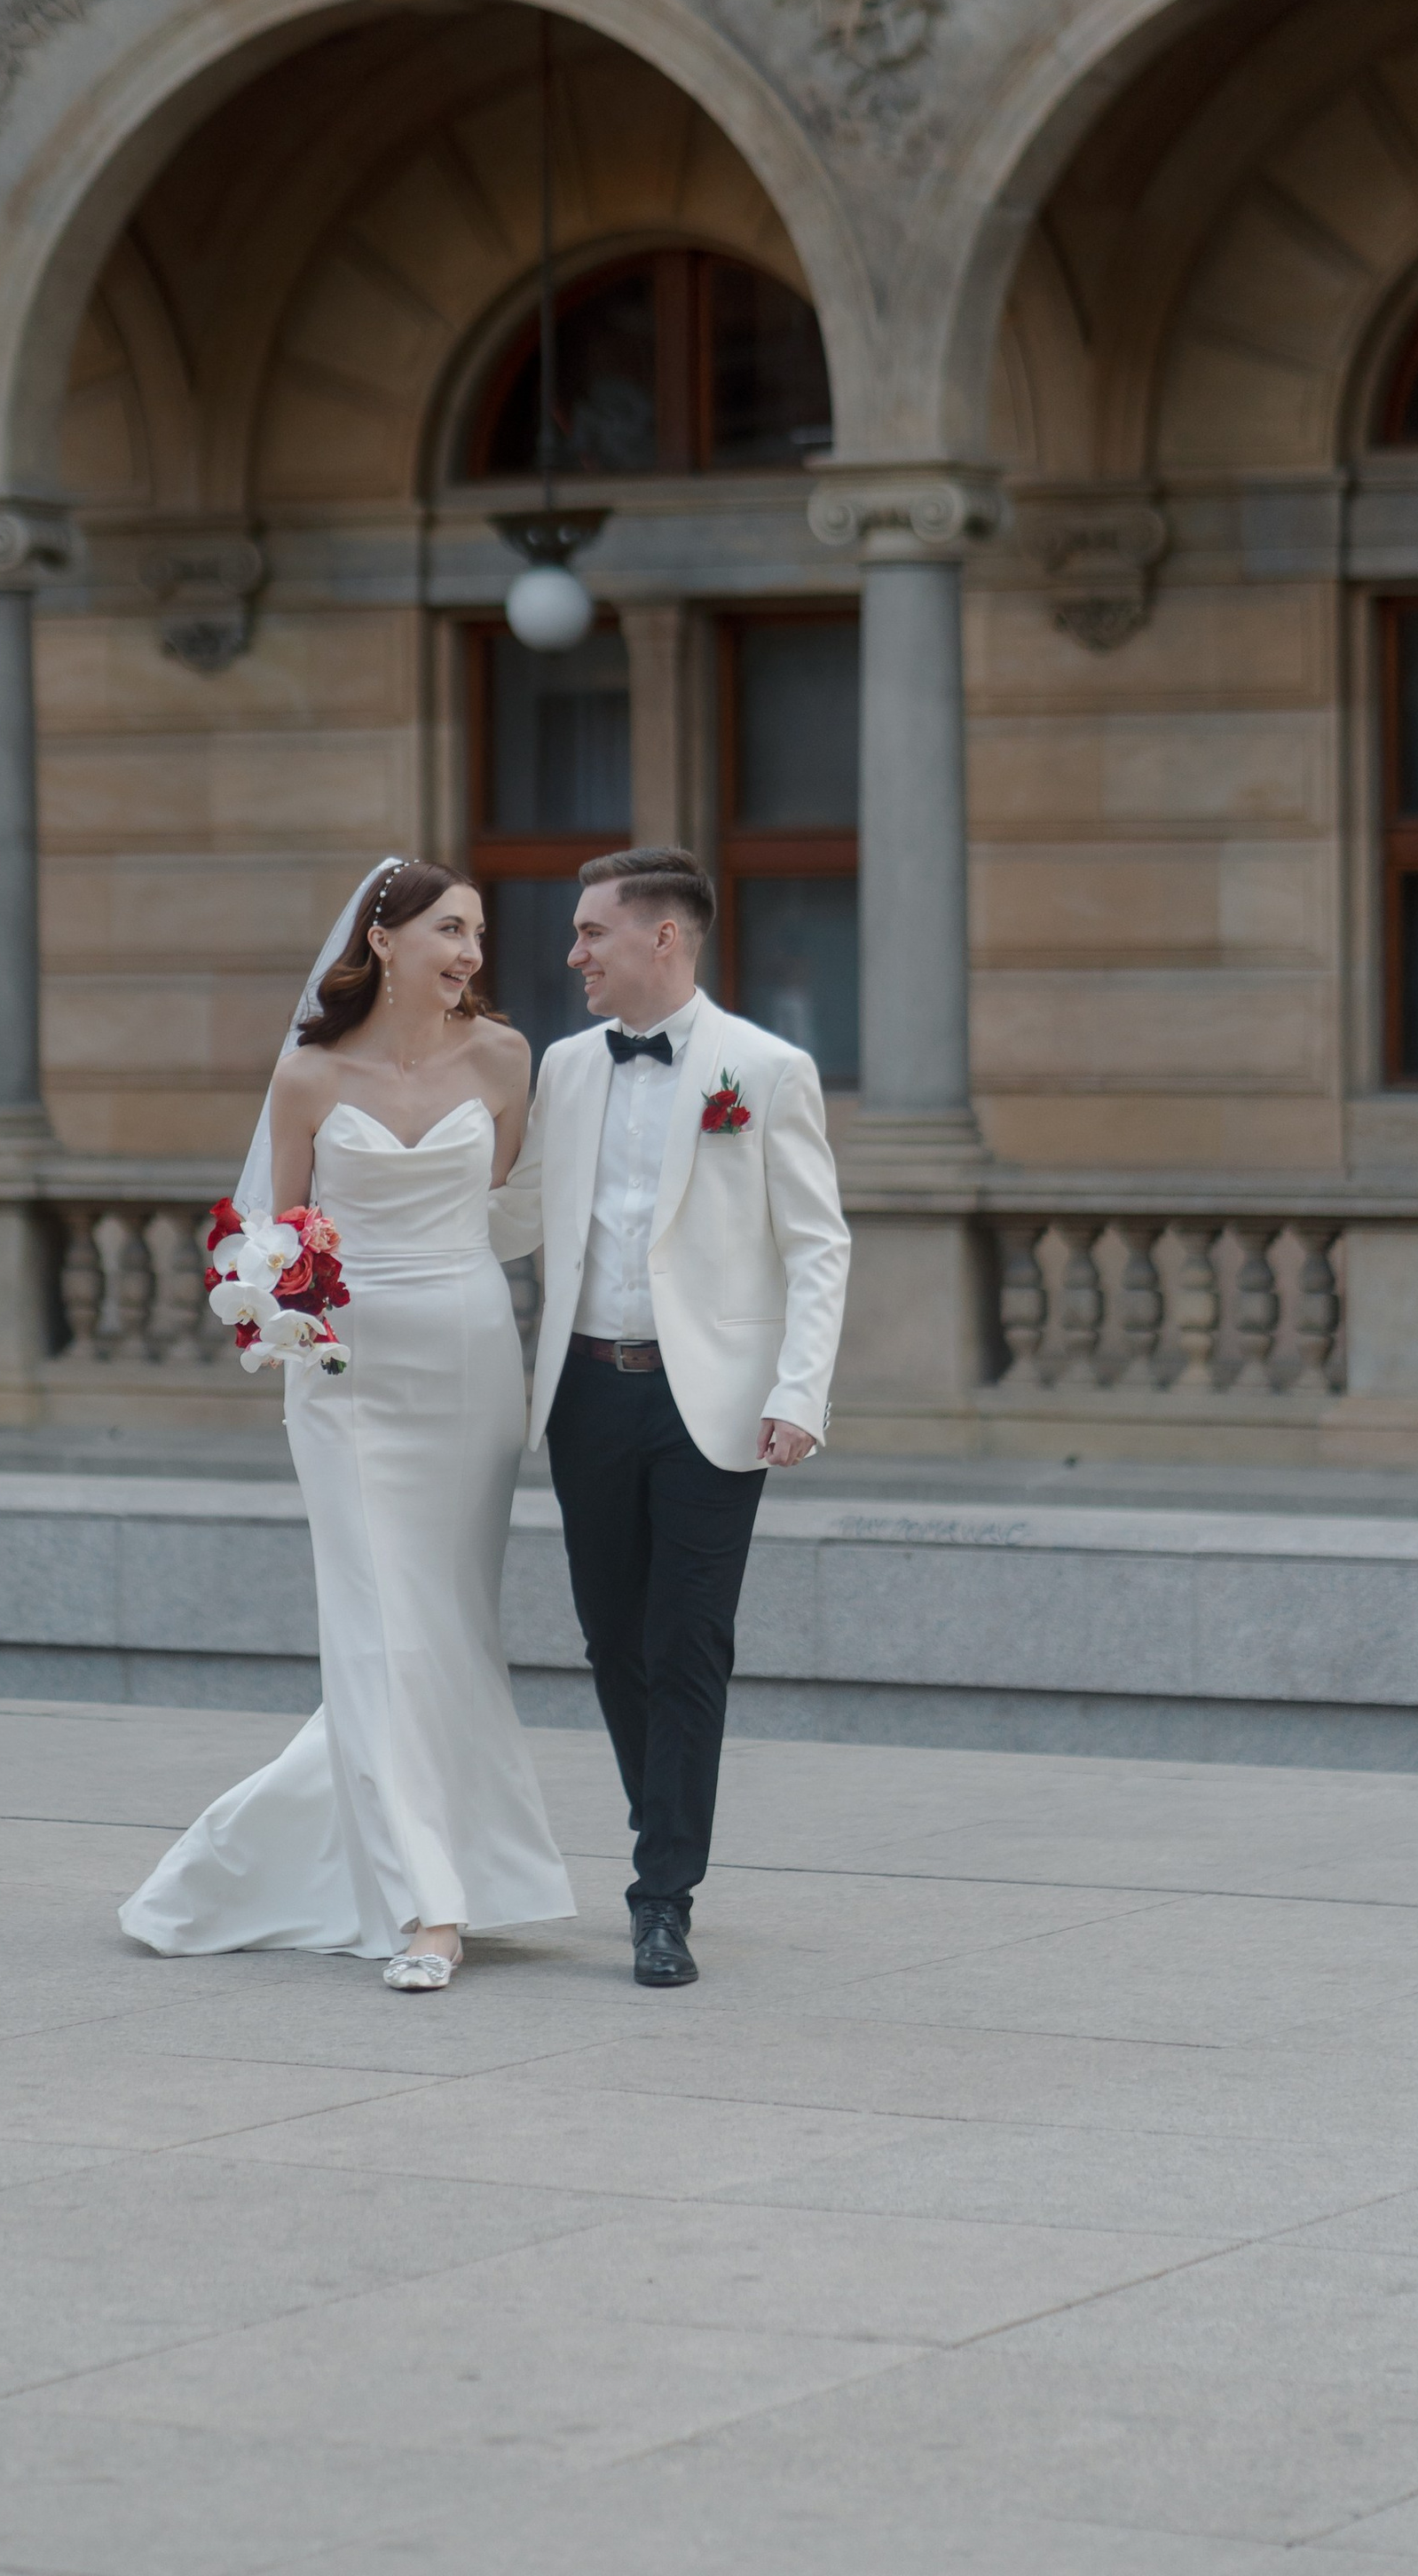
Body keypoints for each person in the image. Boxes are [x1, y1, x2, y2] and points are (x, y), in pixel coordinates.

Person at [119, 857, 576, 1992]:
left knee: (449, 1625)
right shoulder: (308, 1075)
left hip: (469, 1358)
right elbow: (272, 1231)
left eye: (477, 933)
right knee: (379, 1625)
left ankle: (417, 1860)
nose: (471, 952)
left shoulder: (508, 1059)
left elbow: (517, 1211)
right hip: (344, 1374)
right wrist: (282, 1304)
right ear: (383, 941)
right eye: (450, 930)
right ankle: (428, 1905)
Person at [491, 847, 849, 1991]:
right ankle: (665, 1831)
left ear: (664, 937)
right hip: (585, 1392)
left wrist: (798, 1392)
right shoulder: (561, 1065)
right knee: (610, 1640)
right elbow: (511, 1218)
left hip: (716, 1406)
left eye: (591, 932)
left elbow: (816, 1247)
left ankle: (662, 1895)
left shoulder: (767, 1069)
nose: (572, 954)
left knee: (684, 1643)